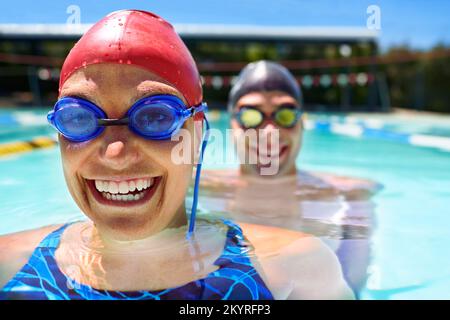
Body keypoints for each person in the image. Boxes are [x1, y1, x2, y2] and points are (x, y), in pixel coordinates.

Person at [0, 10, 353, 300]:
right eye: (79, 118)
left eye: (155, 116)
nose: (115, 153)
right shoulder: (7, 265)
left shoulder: (296, 267)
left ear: (198, 137)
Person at [199, 60, 381, 295]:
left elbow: (352, 288)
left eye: (285, 115)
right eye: (251, 116)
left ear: (302, 122)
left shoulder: (351, 193)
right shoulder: (197, 187)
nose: (269, 132)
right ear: (231, 123)